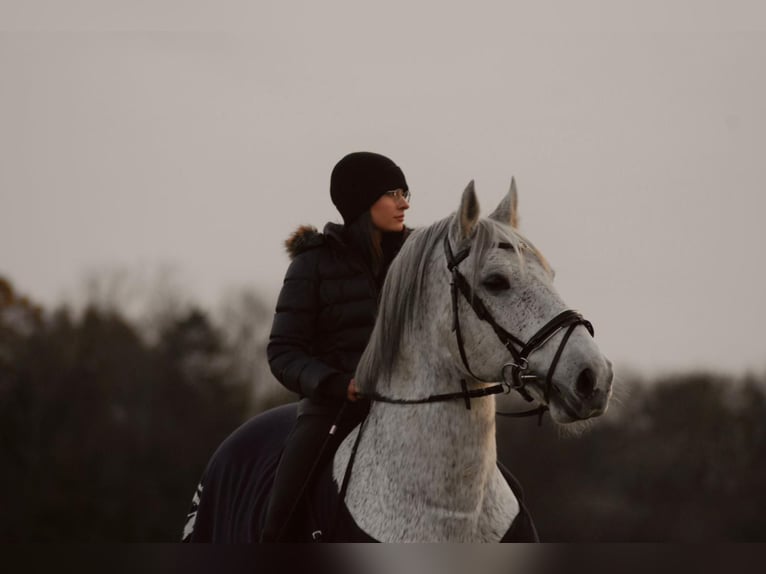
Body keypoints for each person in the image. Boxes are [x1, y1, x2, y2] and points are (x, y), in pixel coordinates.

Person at [260, 151, 411, 542]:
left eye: (406, 192)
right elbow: (283, 352)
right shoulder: (312, 265)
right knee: (280, 518)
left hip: (412, 406)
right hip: (333, 409)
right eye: (393, 193)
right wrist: (336, 383)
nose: (405, 203)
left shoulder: (417, 259)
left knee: (508, 498)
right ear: (363, 200)